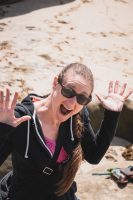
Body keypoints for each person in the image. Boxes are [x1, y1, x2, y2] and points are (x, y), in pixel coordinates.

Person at [0, 63, 132, 200]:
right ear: (55, 83)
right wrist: (2, 128)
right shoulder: (22, 118)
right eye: (68, 91)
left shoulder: (79, 115)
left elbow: (94, 156)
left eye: (82, 98)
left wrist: (112, 114)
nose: (71, 103)